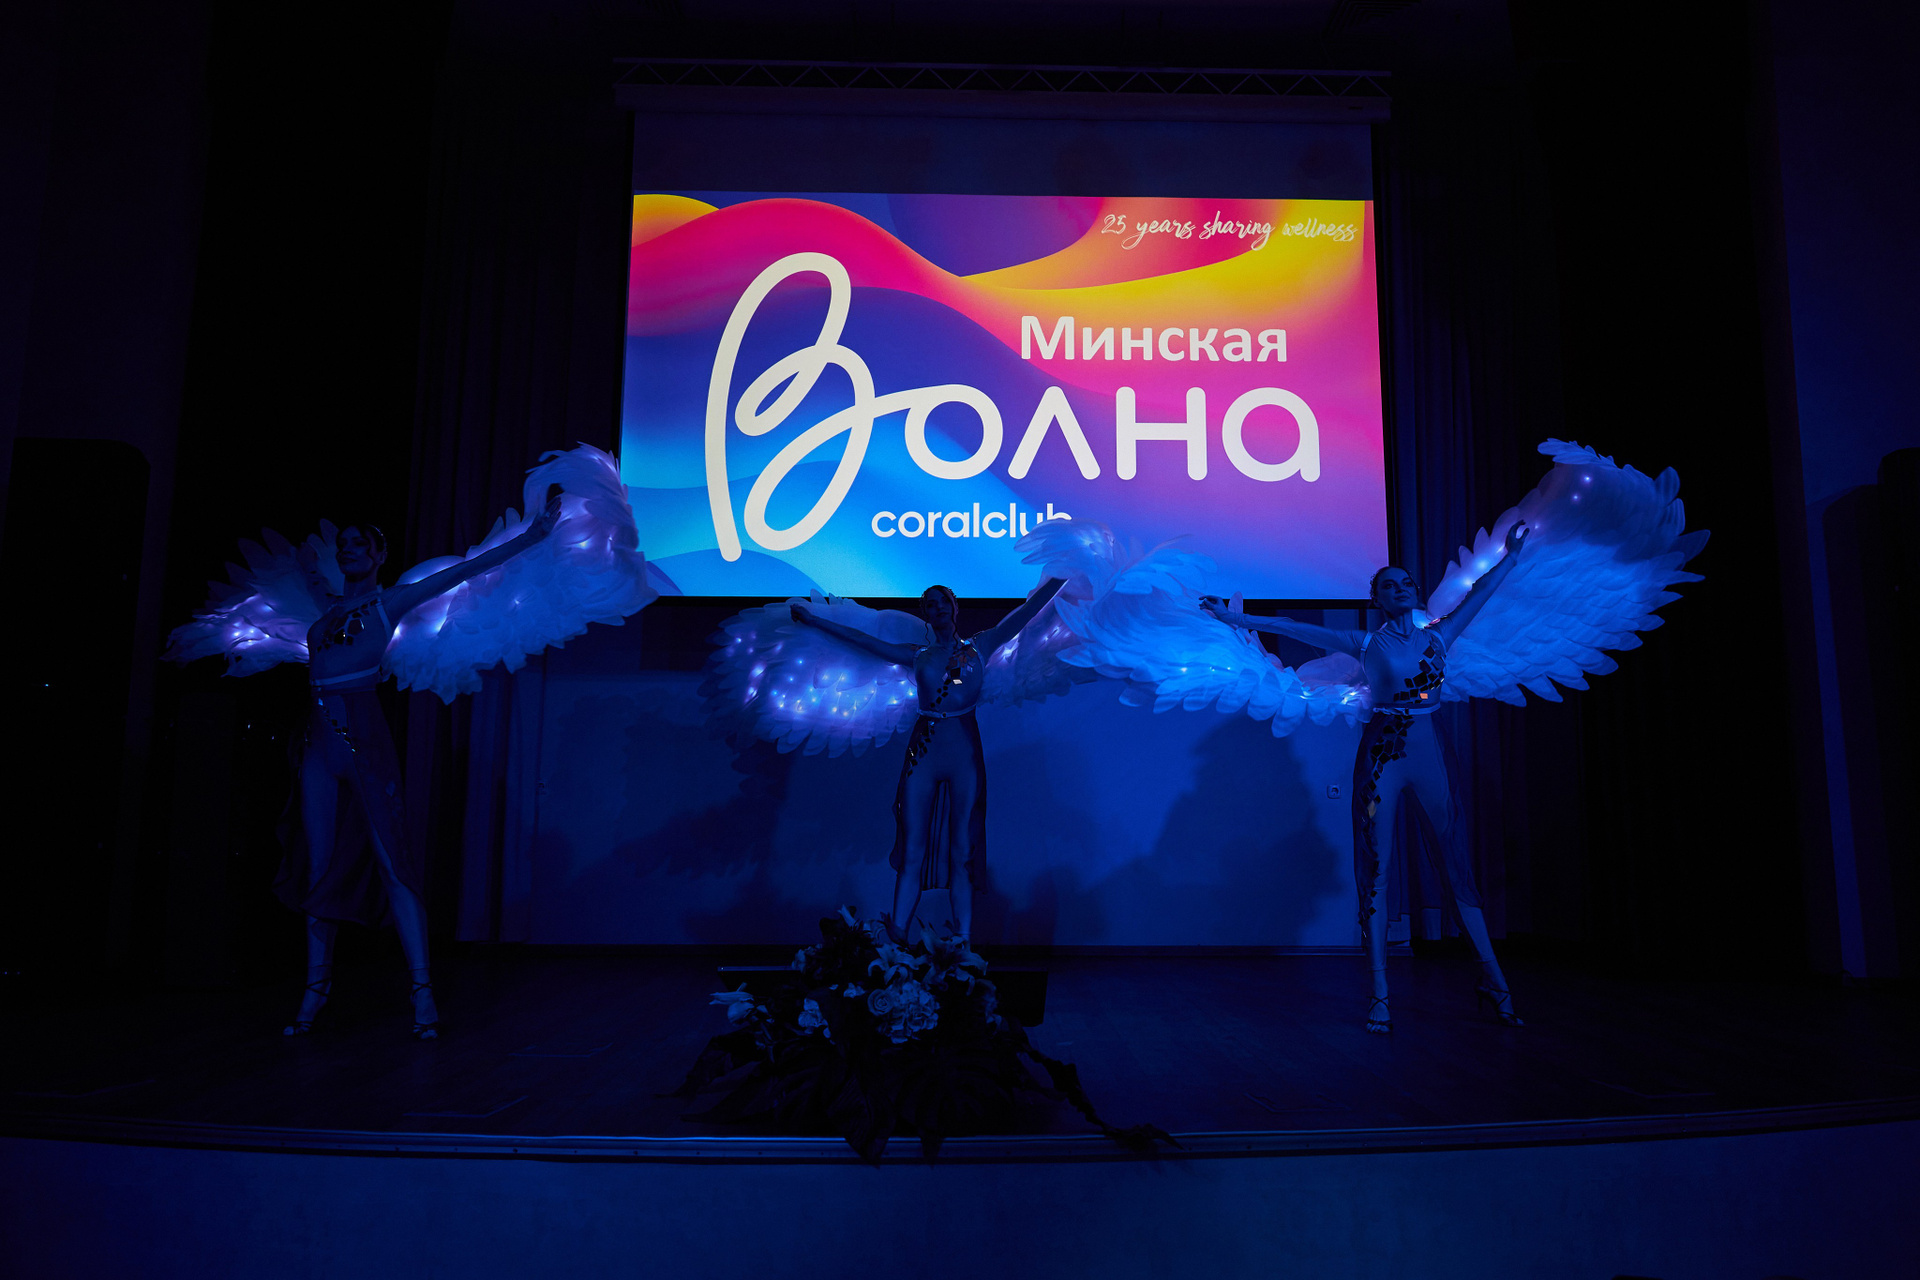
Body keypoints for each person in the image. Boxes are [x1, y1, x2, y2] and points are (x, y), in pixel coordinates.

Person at [1200, 520, 1530, 1034]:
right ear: (1375, 598)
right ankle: (1379, 993)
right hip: (1381, 759)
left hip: (1430, 752)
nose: (1400, 589)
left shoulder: (1440, 635)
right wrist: (1232, 617)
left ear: (1415, 592)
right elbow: (1291, 627)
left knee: (1455, 865)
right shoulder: (1363, 643)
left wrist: (1510, 555)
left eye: (1406, 583)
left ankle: (1495, 982)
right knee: (1376, 868)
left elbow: (1482, 592)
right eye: (1389, 585)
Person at [283, 495, 561, 1039]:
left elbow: (464, 571)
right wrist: (307, 566)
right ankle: (315, 989)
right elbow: (316, 583)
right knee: (319, 870)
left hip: (363, 738)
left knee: (393, 862)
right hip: (317, 747)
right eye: (343, 546)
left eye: (359, 544)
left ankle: (422, 990)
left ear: (379, 554)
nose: (348, 550)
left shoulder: (390, 603)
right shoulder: (329, 608)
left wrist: (532, 537)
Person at [788, 580, 1066, 942]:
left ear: (954, 606)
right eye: (930, 605)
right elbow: (862, 640)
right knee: (912, 849)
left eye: (942, 602)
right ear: (925, 615)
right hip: (924, 753)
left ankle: (962, 944)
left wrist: (1060, 577)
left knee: (962, 851)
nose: (938, 608)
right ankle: (897, 940)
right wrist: (813, 620)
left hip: (964, 754)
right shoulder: (917, 655)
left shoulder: (981, 646)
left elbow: (1027, 612)